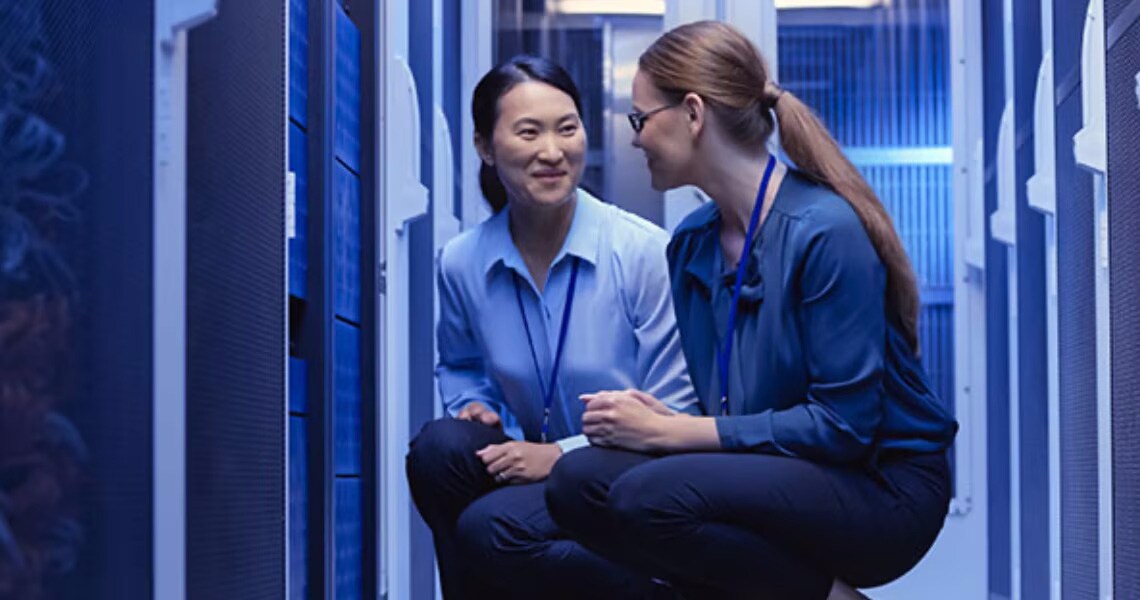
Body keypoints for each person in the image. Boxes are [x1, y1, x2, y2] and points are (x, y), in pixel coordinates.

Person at [544, 21, 959, 600]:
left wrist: (674, 431)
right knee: (576, 483)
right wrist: (656, 419)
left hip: (878, 487)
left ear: (693, 114)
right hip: (788, 470)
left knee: (650, 498)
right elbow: (736, 408)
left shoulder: (824, 231)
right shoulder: (690, 246)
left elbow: (843, 427)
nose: (635, 138)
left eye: (640, 120)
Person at [405, 55, 699, 599]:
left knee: (488, 528)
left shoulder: (642, 252)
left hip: (631, 470)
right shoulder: (463, 262)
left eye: (567, 129)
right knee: (439, 450)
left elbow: (675, 405)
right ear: (486, 148)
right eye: (528, 132)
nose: (552, 151)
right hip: (525, 463)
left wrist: (561, 454)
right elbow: (462, 363)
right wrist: (474, 404)